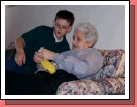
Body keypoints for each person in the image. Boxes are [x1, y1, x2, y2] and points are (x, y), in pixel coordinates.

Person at [5, 22, 103, 95]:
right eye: (73, 38)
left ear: (90, 43)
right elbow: (51, 68)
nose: (73, 42)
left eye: (78, 39)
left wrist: (53, 55)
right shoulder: (68, 53)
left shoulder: (93, 54)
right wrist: (40, 63)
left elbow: (82, 69)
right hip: (45, 78)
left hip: (60, 82)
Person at [5, 10, 75, 73]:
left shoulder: (65, 49)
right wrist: (20, 51)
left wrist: (41, 63)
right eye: (58, 25)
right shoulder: (42, 30)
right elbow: (20, 39)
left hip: (32, 75)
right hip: (17, 63)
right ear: (53, 23)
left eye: (64, 27)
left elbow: (54, 69)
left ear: (69, 29)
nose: (60, 29)